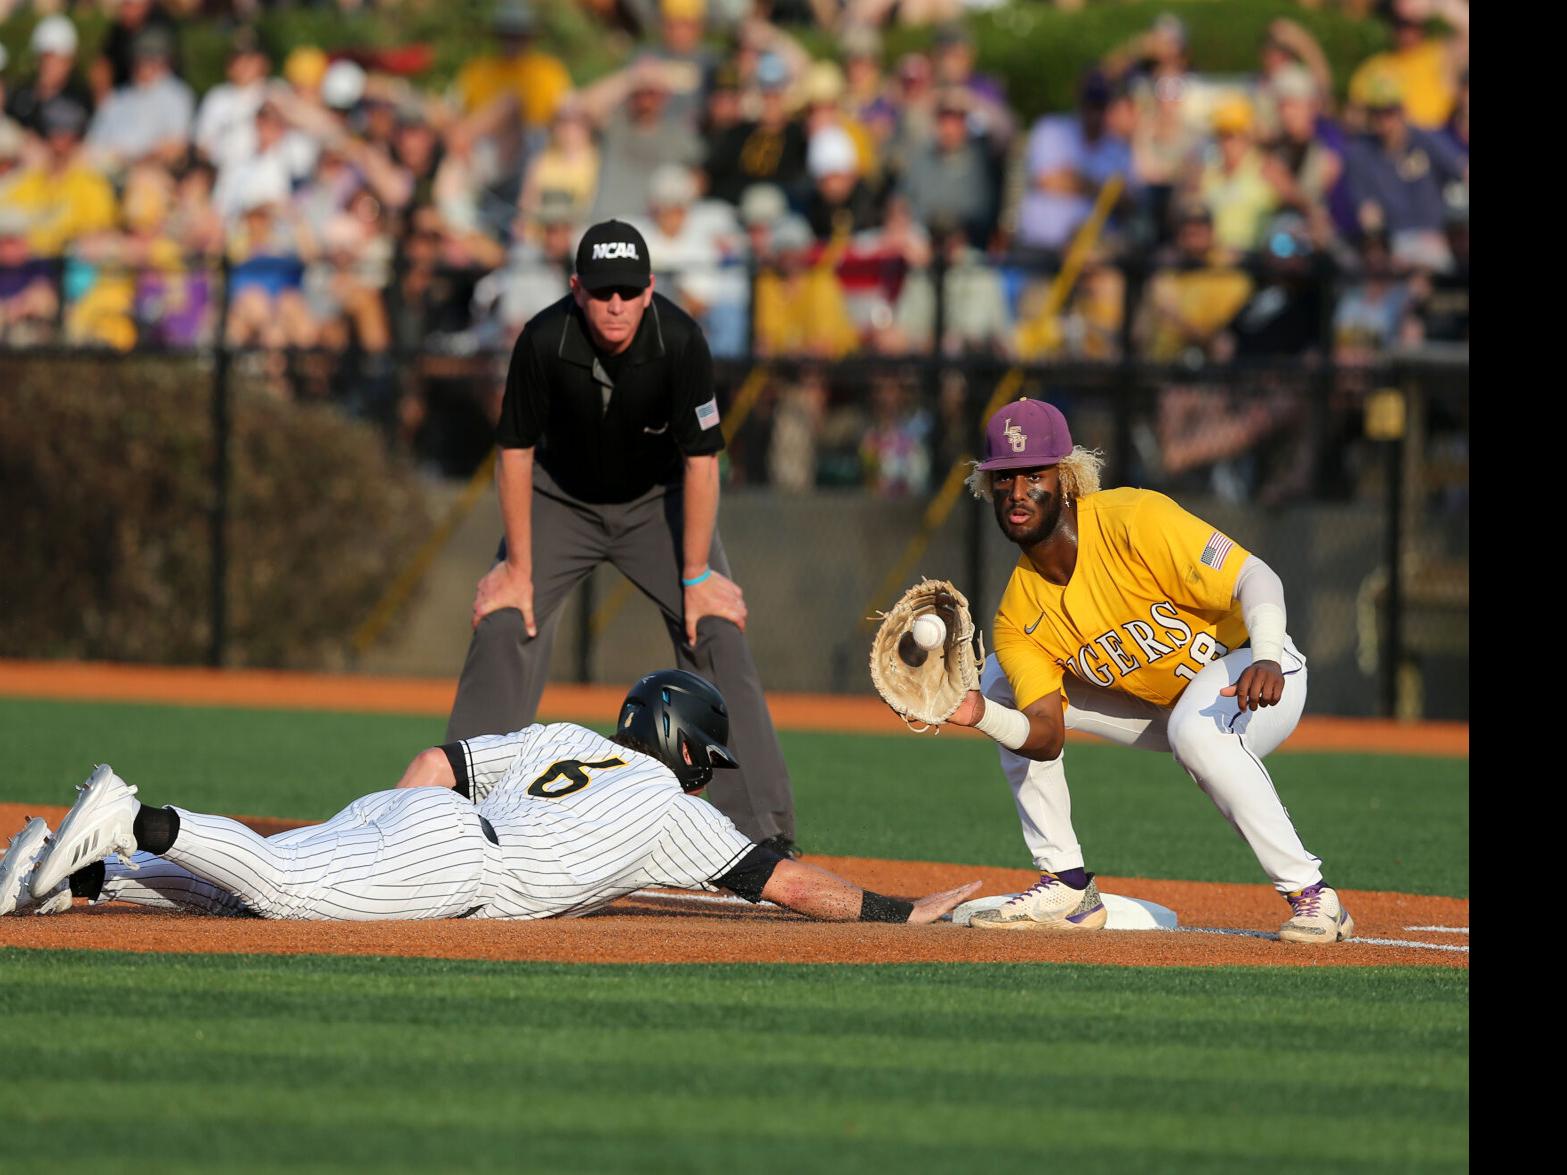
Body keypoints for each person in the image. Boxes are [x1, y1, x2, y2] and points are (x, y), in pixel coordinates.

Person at [3, 671, 979, 926]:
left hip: (421, 813)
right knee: (285, 892)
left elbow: (435, 761)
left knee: (234, 892)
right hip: (460, 861)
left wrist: (376, 831)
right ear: (684, 740)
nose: (702, 770)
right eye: (704, 754)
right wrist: (904, 909)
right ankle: (128, 816)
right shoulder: (674, 810)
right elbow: (792, 884)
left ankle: (87, 871)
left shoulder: (563, 735)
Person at [937, 397, 1353, 944]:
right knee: (997, 682)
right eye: (1003, 478)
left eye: (1032, 474)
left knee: (1195, 729)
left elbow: (1258, 577)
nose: (1016, 493)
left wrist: (1271, 654)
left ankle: (1314, 895)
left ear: (1065, 479)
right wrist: (979, 714)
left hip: (1257, 679)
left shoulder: (1133, 519)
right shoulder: (1018, 615)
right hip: (1164, 709)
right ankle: (1065, 884)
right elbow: (1044, 735)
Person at [448, 219, 801, 857]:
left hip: (657, 502)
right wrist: (518, 569)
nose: (616, 305)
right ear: (577, 288)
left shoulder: (681, 340)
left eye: (629, 291)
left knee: (715, 628)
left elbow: (700, 462)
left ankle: (761, 833)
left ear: (649, 289)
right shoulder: (543, 339)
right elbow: (515, 452)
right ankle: (456, 820)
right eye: (603, 291)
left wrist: (696, 577)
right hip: (560, 500)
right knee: (505, 621)